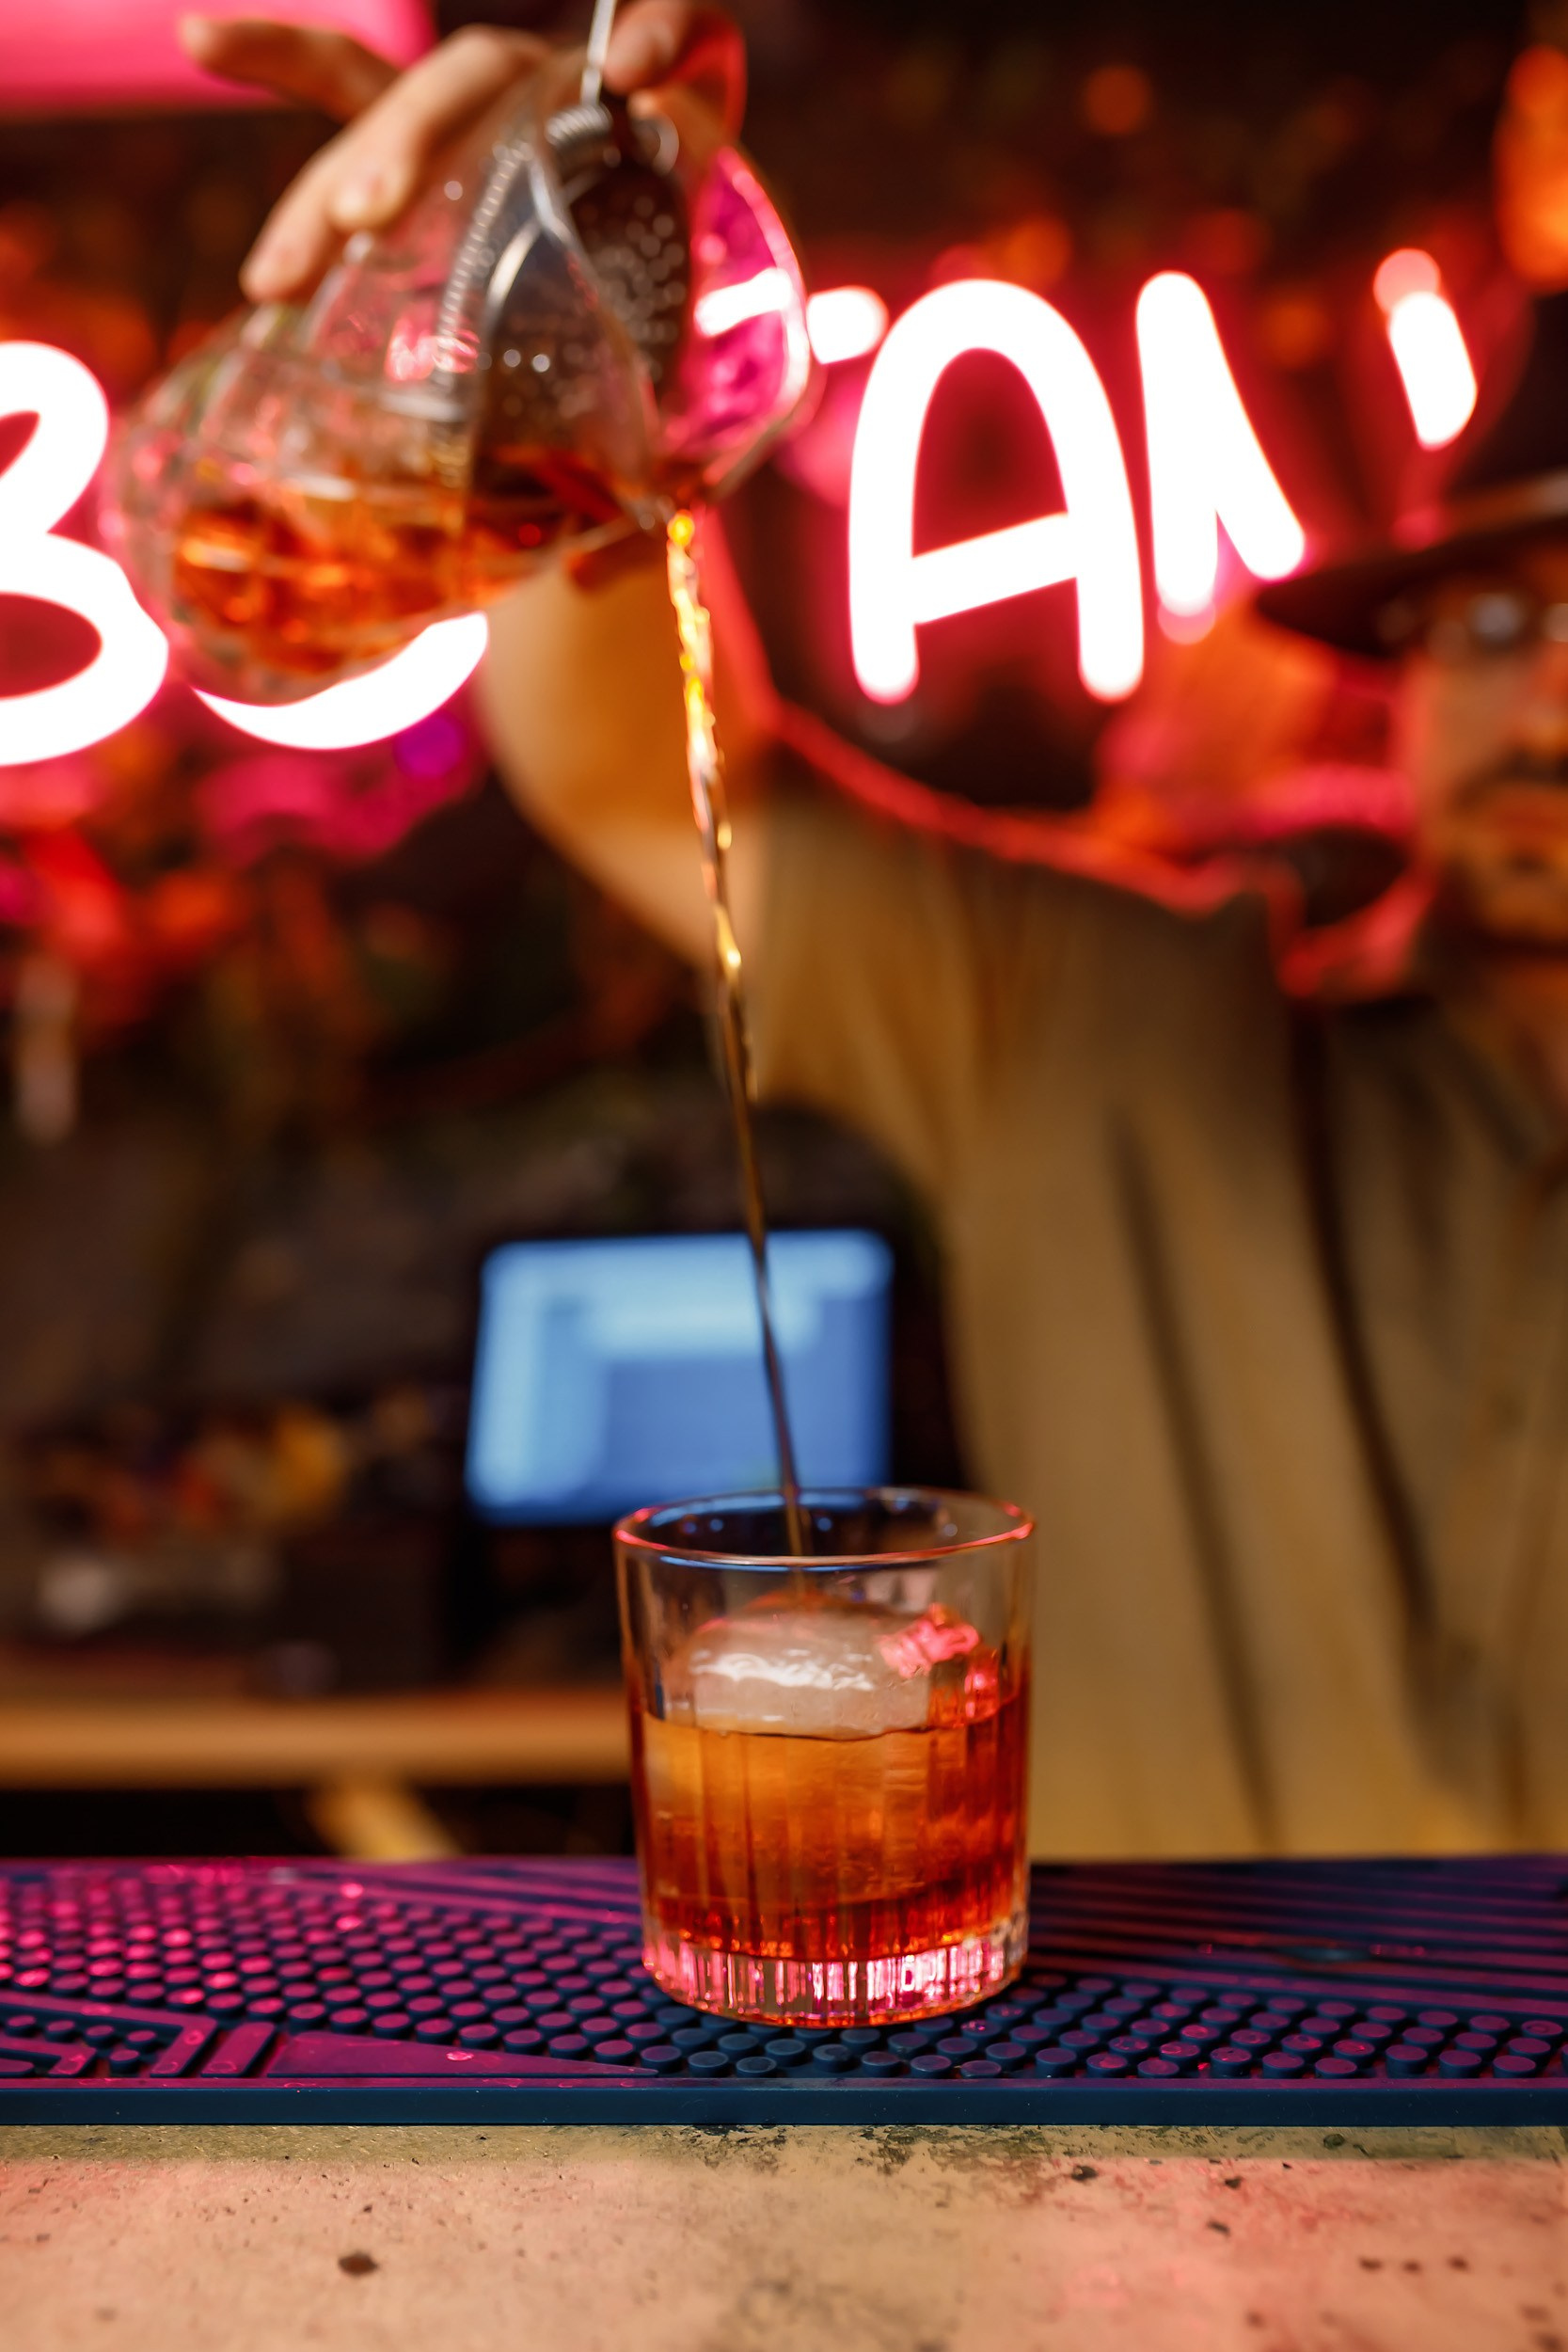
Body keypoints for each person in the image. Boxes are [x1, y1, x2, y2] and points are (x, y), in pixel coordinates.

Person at [182, 5, 1568, 1860]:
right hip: (1138, 2056)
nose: (1549, 704)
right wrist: (573, 304)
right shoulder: (1106, 1015)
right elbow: (650, 788)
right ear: (1400, 684)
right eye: (1490, 627)